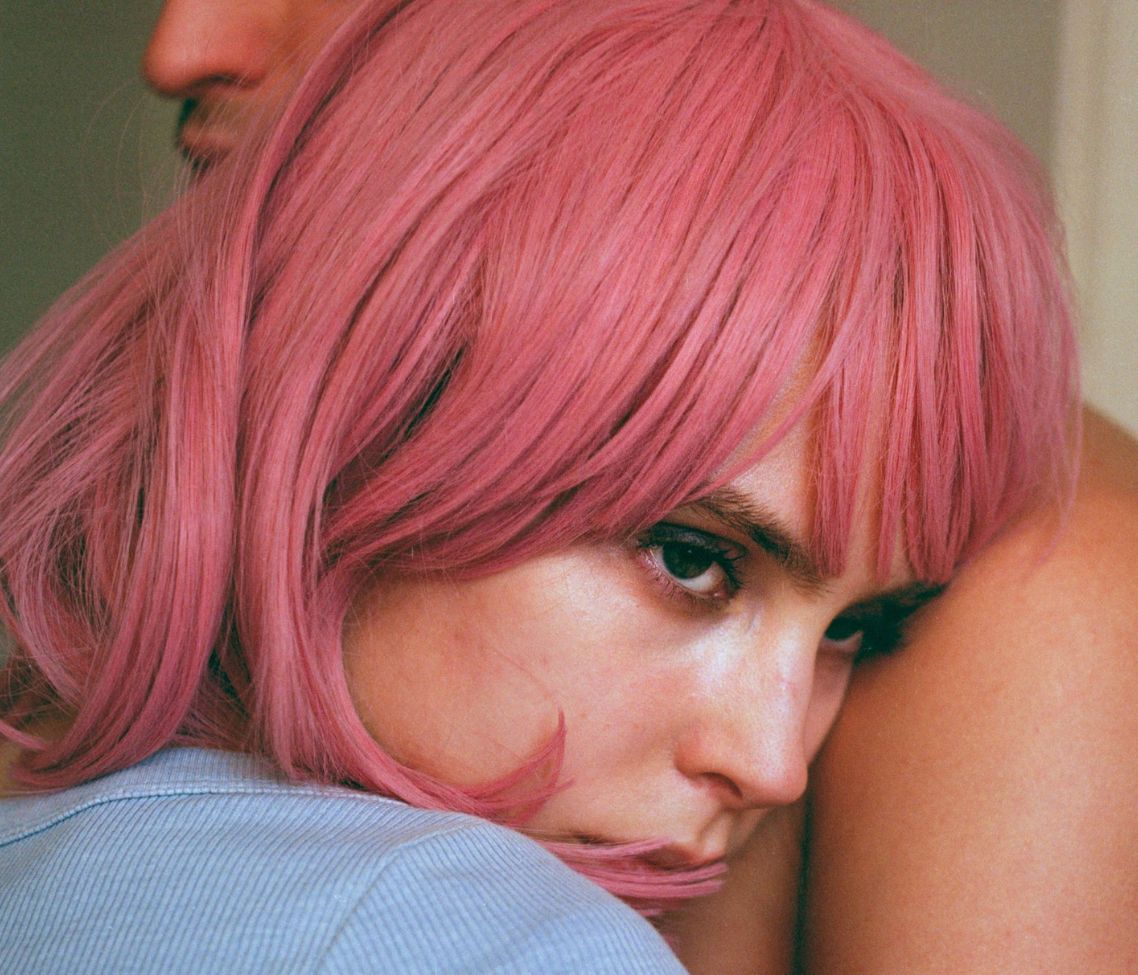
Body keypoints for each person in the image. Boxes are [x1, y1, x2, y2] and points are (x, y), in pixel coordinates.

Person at [0, 0, 1093, 971]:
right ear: (361, 413)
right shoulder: (492, 935)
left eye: (857, 628)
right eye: (692, 559)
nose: (772, 765)